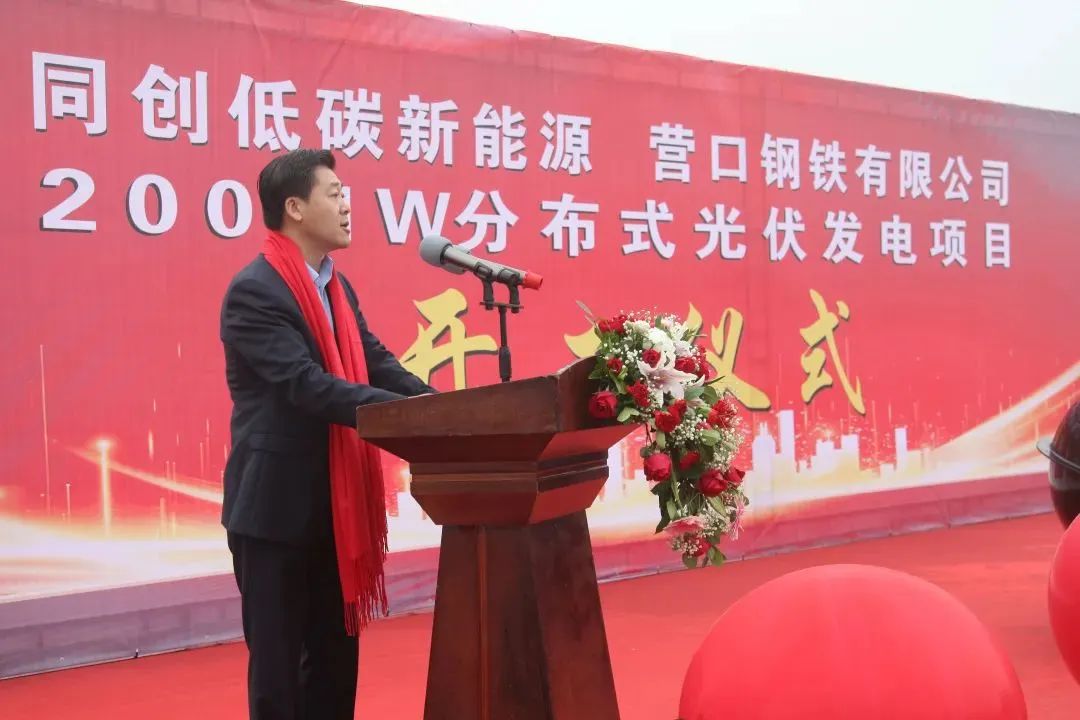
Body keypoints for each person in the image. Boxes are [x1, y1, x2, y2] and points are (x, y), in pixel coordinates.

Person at [219, 148, 434, 720]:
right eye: (334, 194)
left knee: (335, 668)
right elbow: (306, 386)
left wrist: (440, 406)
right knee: (280, 676)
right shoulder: (255, 291)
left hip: (334, 513)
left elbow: (374, 360)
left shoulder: (336, 287)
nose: (346, 206)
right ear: (295, 207)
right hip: (275, 512)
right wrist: (408, 416)